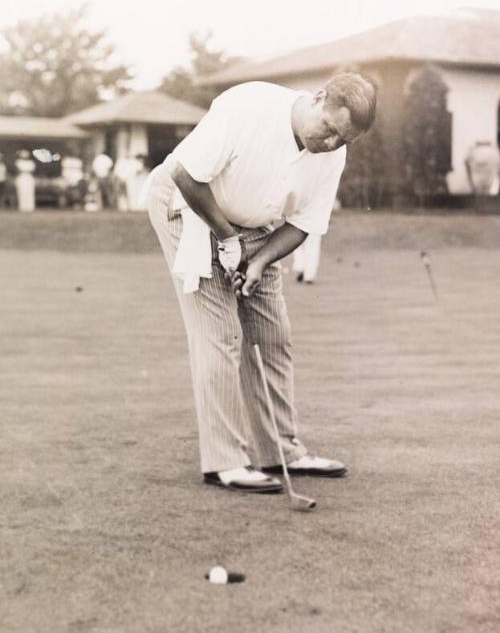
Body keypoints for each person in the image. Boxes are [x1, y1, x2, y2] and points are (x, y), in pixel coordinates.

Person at [143, 73, 376, 493]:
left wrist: (259, 260)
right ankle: (225, 462)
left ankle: (282, 451)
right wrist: (228, 239)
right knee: (221, 332)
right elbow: (183, 173)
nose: (330, 144)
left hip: (256, 227)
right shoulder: (248, 107)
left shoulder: (331, 155)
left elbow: (304, 223)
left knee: (271, 334)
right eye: (328, 130)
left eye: (343, 140)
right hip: (189, 206)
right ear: (318, 97)